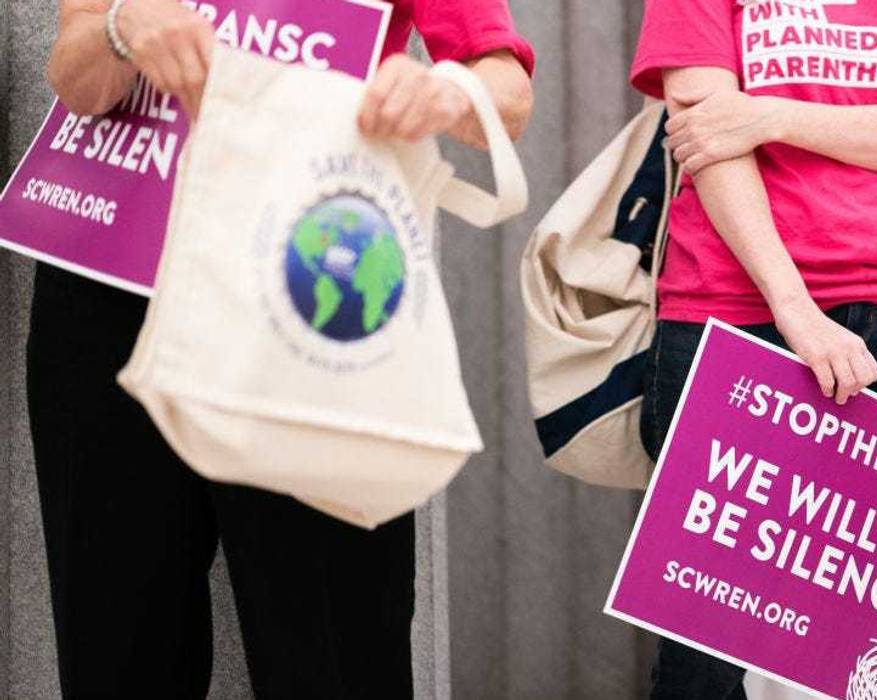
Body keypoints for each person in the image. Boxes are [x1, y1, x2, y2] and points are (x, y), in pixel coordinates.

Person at [35, 0, 532, 697]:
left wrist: (445, 93)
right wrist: (121, 26)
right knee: (114, 651)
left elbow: (506, 93)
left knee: (335, 653)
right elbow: (76, 77)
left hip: (304, 292)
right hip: (111, 287)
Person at [629, 0, 877, 697]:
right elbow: (706, 140)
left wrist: (770, 115)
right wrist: (794, 309)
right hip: (731, 312)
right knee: (700, 660)